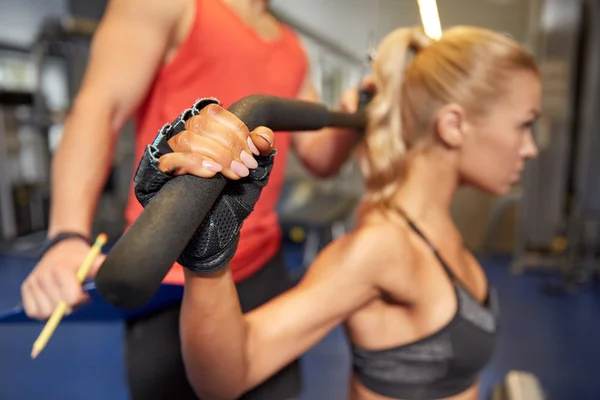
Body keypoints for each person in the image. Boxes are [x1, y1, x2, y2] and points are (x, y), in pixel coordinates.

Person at [137, 25, 542, 400]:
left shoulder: (436, 226)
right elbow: (229, 374)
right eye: (524, 125)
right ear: (454, 125)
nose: (530, 148)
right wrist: (209, 258)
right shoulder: (384, 248)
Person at [20, 0, 363, 399]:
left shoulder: (291, 46)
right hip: (173, 271)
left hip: (262, 269)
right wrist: (66, 237)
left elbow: (320, 157)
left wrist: (352, 119)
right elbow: (100, 107)